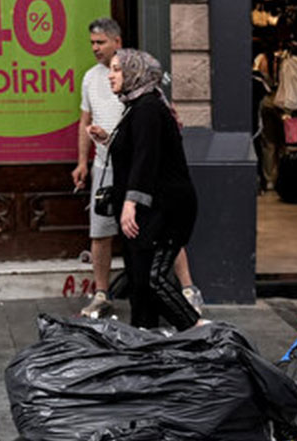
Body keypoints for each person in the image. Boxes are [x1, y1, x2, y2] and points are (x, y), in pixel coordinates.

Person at [104, 49, 201, 331]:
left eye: (117, 70)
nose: (110, 75)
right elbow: (136, 152)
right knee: (139, 279)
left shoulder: (147, 107)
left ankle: (199, 328)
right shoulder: (137, 105)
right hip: (151, 206)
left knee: (151, 278)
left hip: (165, 208)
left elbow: (146, 159)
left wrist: (130, 203)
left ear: (135, 73)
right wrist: (107, 139)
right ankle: (144, 337)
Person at [71, 17, 124, 318]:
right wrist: (82, 162)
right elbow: (84, 122)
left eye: (100, 42)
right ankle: (102, 293)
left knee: (145, 230)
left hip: (132, 166)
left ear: (117, 41)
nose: (95, 48)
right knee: (100, 231)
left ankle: (182, 289)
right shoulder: (90, 77)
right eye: (92, 42)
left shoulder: (133, 71)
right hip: (102, 166)